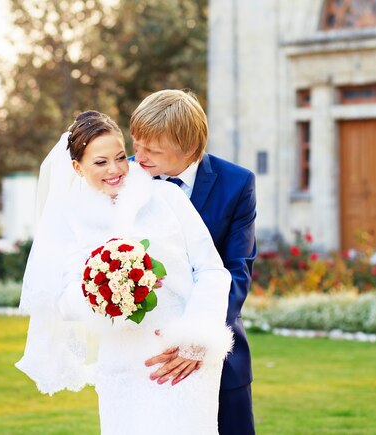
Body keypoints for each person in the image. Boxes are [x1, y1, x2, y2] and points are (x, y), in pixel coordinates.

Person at [16, 110, 234, 434]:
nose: (115, 169)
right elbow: (63, 299)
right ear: (77, 167)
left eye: (120, 157)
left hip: (182, 358)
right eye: (100, 162)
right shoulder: (71, 221)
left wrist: (196, 337)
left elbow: (212, 269)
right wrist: (105, 293)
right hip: (122, 362)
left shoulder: (167, 197)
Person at [130, 89, 257, 435]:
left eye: (152, 150)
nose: (137, 157)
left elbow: (237, 271)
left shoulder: (237, 183)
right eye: (136, 143)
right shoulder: (123, 180)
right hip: (146, 358)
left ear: (188, 149)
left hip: (219, 354)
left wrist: (198, 337)